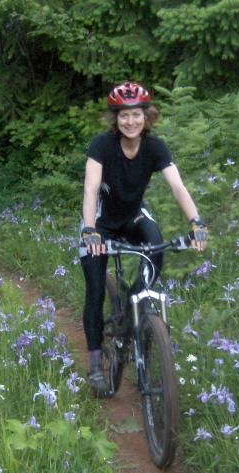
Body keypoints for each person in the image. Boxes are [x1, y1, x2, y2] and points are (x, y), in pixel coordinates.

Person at [80, 81, 208, 396]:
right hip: (100, 223)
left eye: (136, 115)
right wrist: (89, 229)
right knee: (95, 292)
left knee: (157, 249)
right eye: (123, 116)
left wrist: (196, 223)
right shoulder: (102, 145)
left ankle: (133, 309)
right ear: (115, 119)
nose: (130, 121)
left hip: (134, 216)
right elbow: (91, 188)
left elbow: (177, 187)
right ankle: (96, 363)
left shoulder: (155, 147)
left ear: (146, 116)